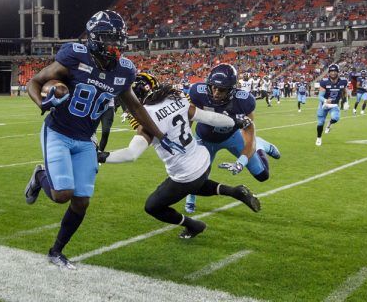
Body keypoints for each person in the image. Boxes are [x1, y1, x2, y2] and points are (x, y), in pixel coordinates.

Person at [22, 10, 186, 270]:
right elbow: (35, 81)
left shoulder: (124, 70)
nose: (116, 44)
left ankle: (56, 251)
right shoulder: (75, 56)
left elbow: (135, 107)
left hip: (86, 138)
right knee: (62, 194)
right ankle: (40, 175)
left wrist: (160, 135)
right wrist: (43, 102)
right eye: (110, 38)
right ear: (95, 38)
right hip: (59, 132)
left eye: (118, 39)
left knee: (82, 201)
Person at [98, 73, 260, 239]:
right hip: (202, 159)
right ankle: (235, 191)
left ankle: (193, 225)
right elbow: (208, 117)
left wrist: (101, 156)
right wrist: (236, 121)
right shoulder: (176, 100)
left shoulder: (147, 119)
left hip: (185, 172)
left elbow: (131, 154)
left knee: (153, 206)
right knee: (196, 184)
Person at [183, 63, 282, 213]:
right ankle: (191, 197)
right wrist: (185, 138)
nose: (215, 93)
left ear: (231, 89)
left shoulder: (244, 101)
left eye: (221, 89)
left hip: (232, 137)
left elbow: (249, 135)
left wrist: (241, 162)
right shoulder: (198, 92)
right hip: (204, 139)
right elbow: (189, 116)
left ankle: (261, 146)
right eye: (213, 87)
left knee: (262, 175)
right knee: (196, 174)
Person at [315, 64, 349, 146]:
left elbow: (344, 92)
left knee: (335, 118)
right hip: (324, 105)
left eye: (334, 71)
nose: (333, 73)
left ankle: (329, 124)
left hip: (334, 105)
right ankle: (319, 138)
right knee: (320, 123)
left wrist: (346, 102)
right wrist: (326, 100)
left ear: (338, 72)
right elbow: (320, 96)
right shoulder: (324, 82)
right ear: (329, 72)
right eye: (331, 71)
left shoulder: (343, 81)